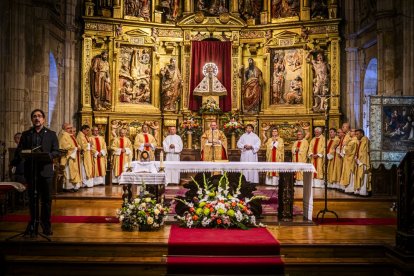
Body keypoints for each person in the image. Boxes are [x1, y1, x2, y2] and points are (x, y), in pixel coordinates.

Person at [11, 109, 59, 236]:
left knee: (46, 200)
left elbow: (56, 151)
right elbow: (19, 151)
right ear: (31, 119)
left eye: (39, 116)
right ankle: (32, 223)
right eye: (34, 116)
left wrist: (49, 155)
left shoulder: (51, 134)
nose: (37, 118)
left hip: (46, 172)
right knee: (33, 200)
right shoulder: (26, 135)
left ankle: (46, 224)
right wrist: (20, 156)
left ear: (43, 119)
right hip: (31, 171)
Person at [59, 123, 82, 192]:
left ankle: (73, 186)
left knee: (73, 171)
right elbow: (64, 146)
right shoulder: (63, 136)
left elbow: (77, 144)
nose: (70, 129)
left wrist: (78, 147)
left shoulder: (70, 136)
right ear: (64, 129)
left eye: (71, 128)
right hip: (68, 157)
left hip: (73, 156)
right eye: (68, 128)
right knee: (68, 172)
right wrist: (75, 148)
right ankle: (67, 187)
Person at [339, 128, 358, 193]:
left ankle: (350, 189)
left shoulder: (353, 141)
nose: (350, 132)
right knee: (347, 173)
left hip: (350, 160)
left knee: (349, 174)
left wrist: (344, 146)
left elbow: (348, 150)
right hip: (348, 159)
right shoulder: (351, 140)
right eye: (350, 131)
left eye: (352, 131)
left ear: (355, 133)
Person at [354, 129, 371, 196]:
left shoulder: (365, 140)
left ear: (362, 134)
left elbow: (364, 152)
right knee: (359, 176)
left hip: (363, 161)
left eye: (357, 134)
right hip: (359, 161)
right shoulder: (360, 141)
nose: (356, 136)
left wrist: (359, 161)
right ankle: (360, 191)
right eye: (356, 134)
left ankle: (364, 192)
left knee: (363, 176)